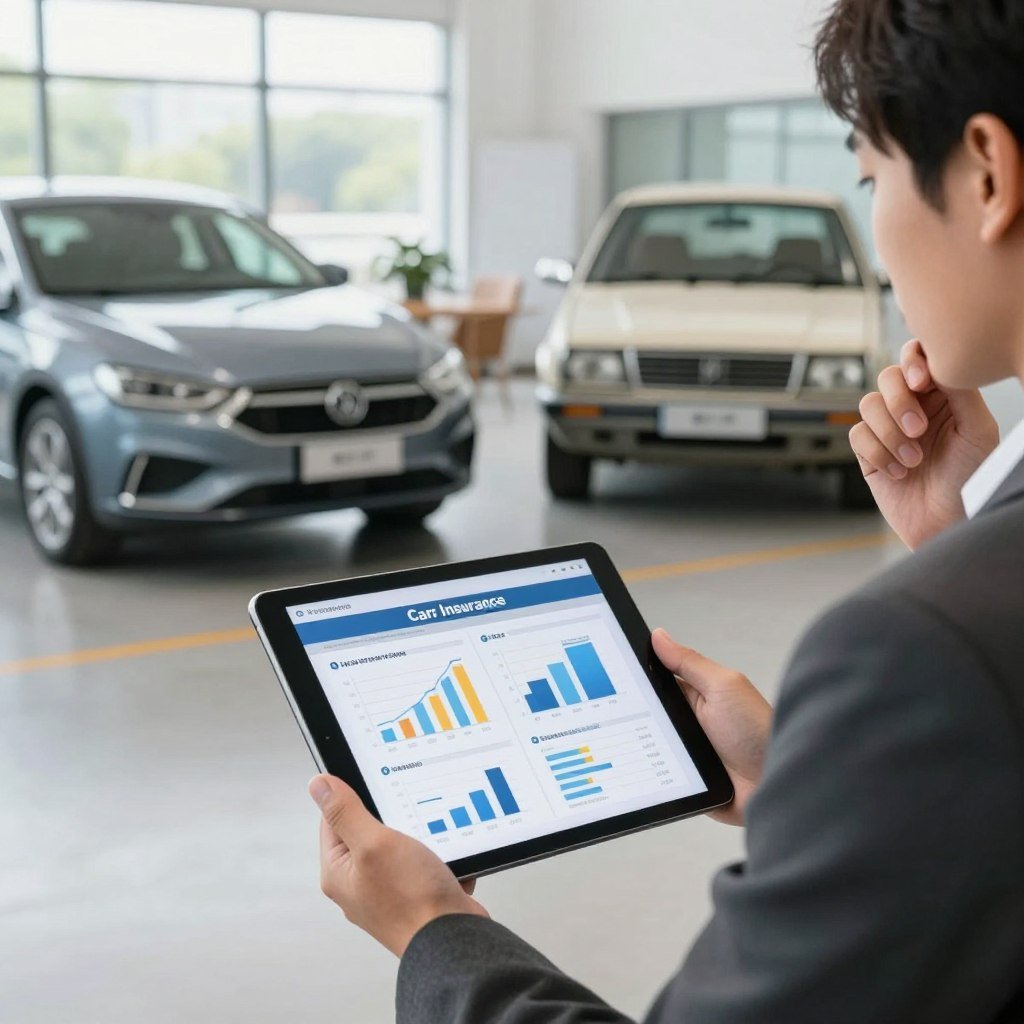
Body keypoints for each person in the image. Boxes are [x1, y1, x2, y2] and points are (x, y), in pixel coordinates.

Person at [306, 1, 1024, 1019]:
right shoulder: (967, 627)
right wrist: (808, 780)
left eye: (870, 180)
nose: (879, 233)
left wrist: (433, 930)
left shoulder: (921, 649)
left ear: (986, 173)